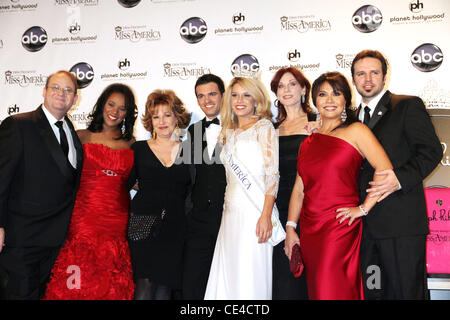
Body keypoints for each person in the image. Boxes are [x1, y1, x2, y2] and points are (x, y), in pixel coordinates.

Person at [285, 72, 393, 300]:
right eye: (323, 94)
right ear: (315, 101)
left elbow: (385, 171)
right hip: (310, 229)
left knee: (332, 290)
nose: (330, 100)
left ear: (346, 100)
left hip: (339, 226)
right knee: (317, 290)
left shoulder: (357, 131)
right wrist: (291, 228)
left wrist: (363, 208)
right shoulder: (308, 141)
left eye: (337, 93)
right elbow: (299, 189)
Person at [350, 50, 442, 300]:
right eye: (361, 73)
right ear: (353, 79)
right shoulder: (348, 118)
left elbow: (431, 152)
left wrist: (398, 178)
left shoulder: (407, 105)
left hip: (401, 224)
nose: (367, 79)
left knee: (405, 294)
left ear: (384, 76)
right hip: (364, 227)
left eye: (374, 72)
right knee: (373, 293)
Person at [43, 83, 137, 299]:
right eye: (111, 104)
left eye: (121, 108)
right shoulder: (81, 136)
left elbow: (139, 180)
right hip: (83, 218)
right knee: (77, 280)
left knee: (109, 282)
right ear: (102, 104)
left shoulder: (132, 144)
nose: (114, 112)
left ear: (127, 113)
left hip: (116, 220)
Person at [0, 70, 83, 299]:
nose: (61, 93)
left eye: (68, 90)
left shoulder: (73, 134)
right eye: (56, 87)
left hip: (55, 242)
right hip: (22, 238)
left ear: (75, 99)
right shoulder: (18, 125)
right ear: (44, 91)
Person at [204, 77, 279, 300]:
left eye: (247, 95)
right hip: (230, 213)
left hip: (255, 213)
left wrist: (266, 215)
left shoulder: (264, 127)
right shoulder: (227, 132)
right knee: (229, 274)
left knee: (250, 276)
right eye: (235, 95)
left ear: (257, 100)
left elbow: (272, 175)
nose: (240, 100)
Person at [128, 89, 191, 300]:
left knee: (165, 287)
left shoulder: (191, 151)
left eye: (167, 115)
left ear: (177, 117)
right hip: (142, 223)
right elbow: (123, 183)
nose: (162, 121)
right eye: (156, 116)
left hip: (175, 226)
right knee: (143, 286)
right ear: (150, 120)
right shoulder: (138, 149)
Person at [270, 67, 315, 299]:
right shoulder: (270, 130)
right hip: (278, 212)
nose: (286, 90)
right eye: (280, 86)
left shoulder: (319, 124)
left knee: (311, 277)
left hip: (311, 208)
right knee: (284, 279)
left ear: (303, 89)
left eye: (292, 84)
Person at [182, 74, 227, 300]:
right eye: (201, 96)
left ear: (223, 95)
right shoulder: (193, 131)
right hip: (198, 219)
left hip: (229, 217)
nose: (207, 100)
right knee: (194, 283)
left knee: (226, 282)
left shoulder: (241, 127)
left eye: (212, 94)